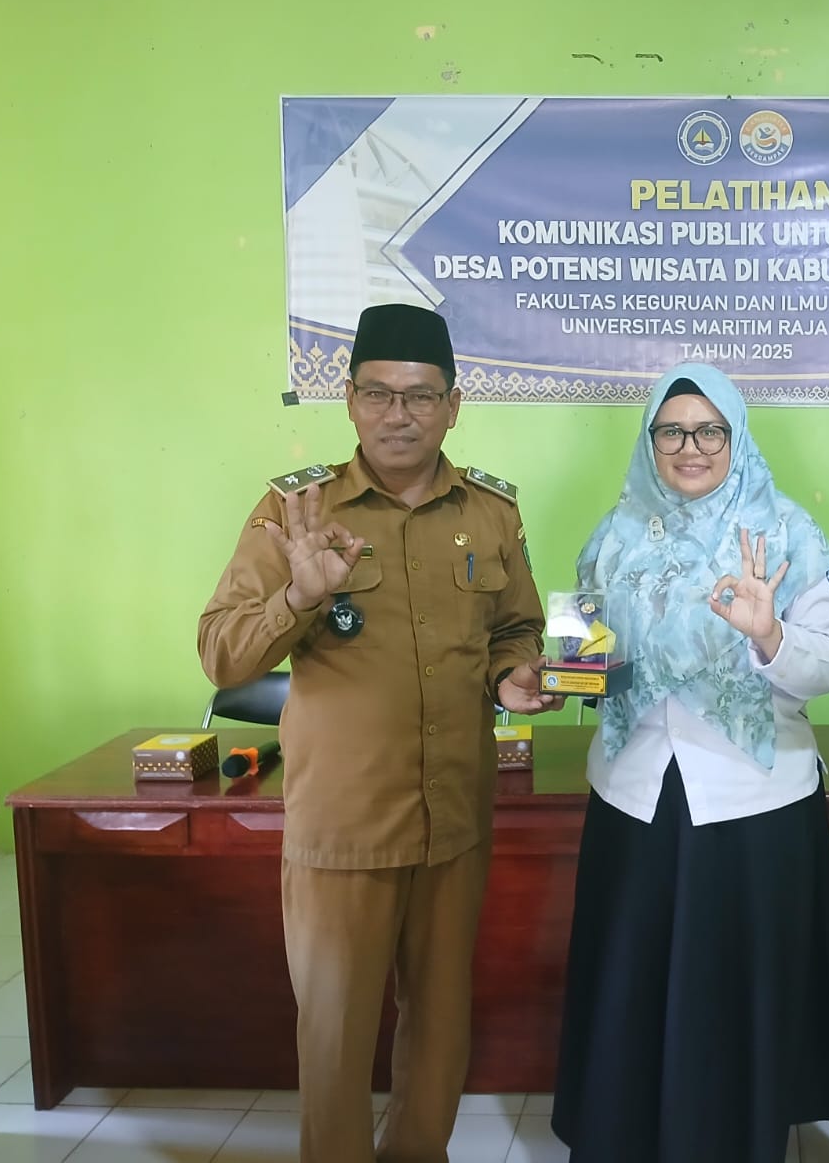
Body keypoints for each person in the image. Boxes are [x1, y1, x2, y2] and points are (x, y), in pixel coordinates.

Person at [198, 303, 560, 1163]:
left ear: (453, 406)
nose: (399, 414)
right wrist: (300, 594)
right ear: (351, 401)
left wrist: (512, 675)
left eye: (420, 396)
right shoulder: (296, 511)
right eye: (378, 394)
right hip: (346, 823)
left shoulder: (490, 512)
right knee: (335, 1035)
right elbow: (222, 654)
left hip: (453, 817)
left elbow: (516, 628)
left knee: (439, 1024)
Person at [551, 362, 829, 1163]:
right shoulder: (613, 535)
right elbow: (583, 669)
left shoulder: (785, 532)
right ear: (650, 441)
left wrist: (770, 635)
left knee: (738, 995)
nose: (689, 447)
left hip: (752, 805)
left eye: (709, 431)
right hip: (635, 799)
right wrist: (553, 675)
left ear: (736, 437)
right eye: (671, 431)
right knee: (632, 984)